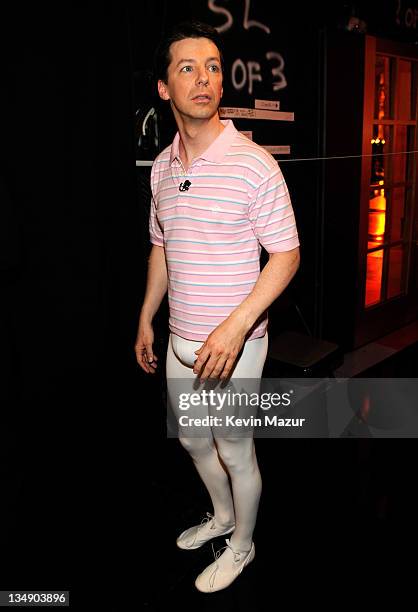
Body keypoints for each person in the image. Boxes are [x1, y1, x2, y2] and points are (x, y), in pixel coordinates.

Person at [135, 20, 300, 593]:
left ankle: (244, 545)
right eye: (187, 67)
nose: (203, 78)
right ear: (164, 88)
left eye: (212, 66)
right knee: (192, 439)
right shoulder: (162, 166)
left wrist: (236, 328)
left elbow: (286, 256)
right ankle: (223, 517)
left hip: (236, 345)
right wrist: (144, 319)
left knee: (234, 446)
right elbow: (162, 246)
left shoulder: (254, 163)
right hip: (180, 338)